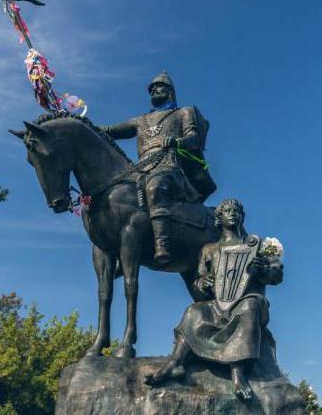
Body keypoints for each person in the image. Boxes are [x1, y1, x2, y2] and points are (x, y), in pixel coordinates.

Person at [145, 198, 284, 400]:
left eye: (236, 210)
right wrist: (202, 284)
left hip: (248, 302)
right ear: (218, 219)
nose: (232, 213)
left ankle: (237, 372)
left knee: (250, 306)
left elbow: (276, 276)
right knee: (195, 311)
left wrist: (264, 268)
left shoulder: (256, 245)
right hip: (218, 306)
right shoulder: (209, 250)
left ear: (241, 217)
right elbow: (199, 286)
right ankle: (175, 363)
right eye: (227, 210)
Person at [102, 71, 215, 265]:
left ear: (170, 91)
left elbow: (194, 139)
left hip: (170, 167)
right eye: (152, 89)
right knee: (120, 198)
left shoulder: (183, 113)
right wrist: (80, 124)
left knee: (155, 186)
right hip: (142, 170)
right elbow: (109, 131)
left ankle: (162, 244)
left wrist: (176, 141)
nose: (154, 90)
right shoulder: (140, 120)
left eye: (159, 87)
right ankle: (123, 251)